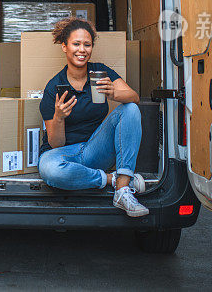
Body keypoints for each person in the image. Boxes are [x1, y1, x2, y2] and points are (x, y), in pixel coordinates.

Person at [37, 17, 147, 217]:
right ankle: (113, 179)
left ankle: (122, 191)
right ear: (64, 47)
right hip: (65, 154)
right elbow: (55, 144)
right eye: (76, 44)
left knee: (130, 109)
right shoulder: (54, 87)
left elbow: (134, 97)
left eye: (87, 45)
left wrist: (114, 93)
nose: (82, 50)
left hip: (95, 149)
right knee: (49, 169)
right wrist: (59, 116)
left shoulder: (100, 73)